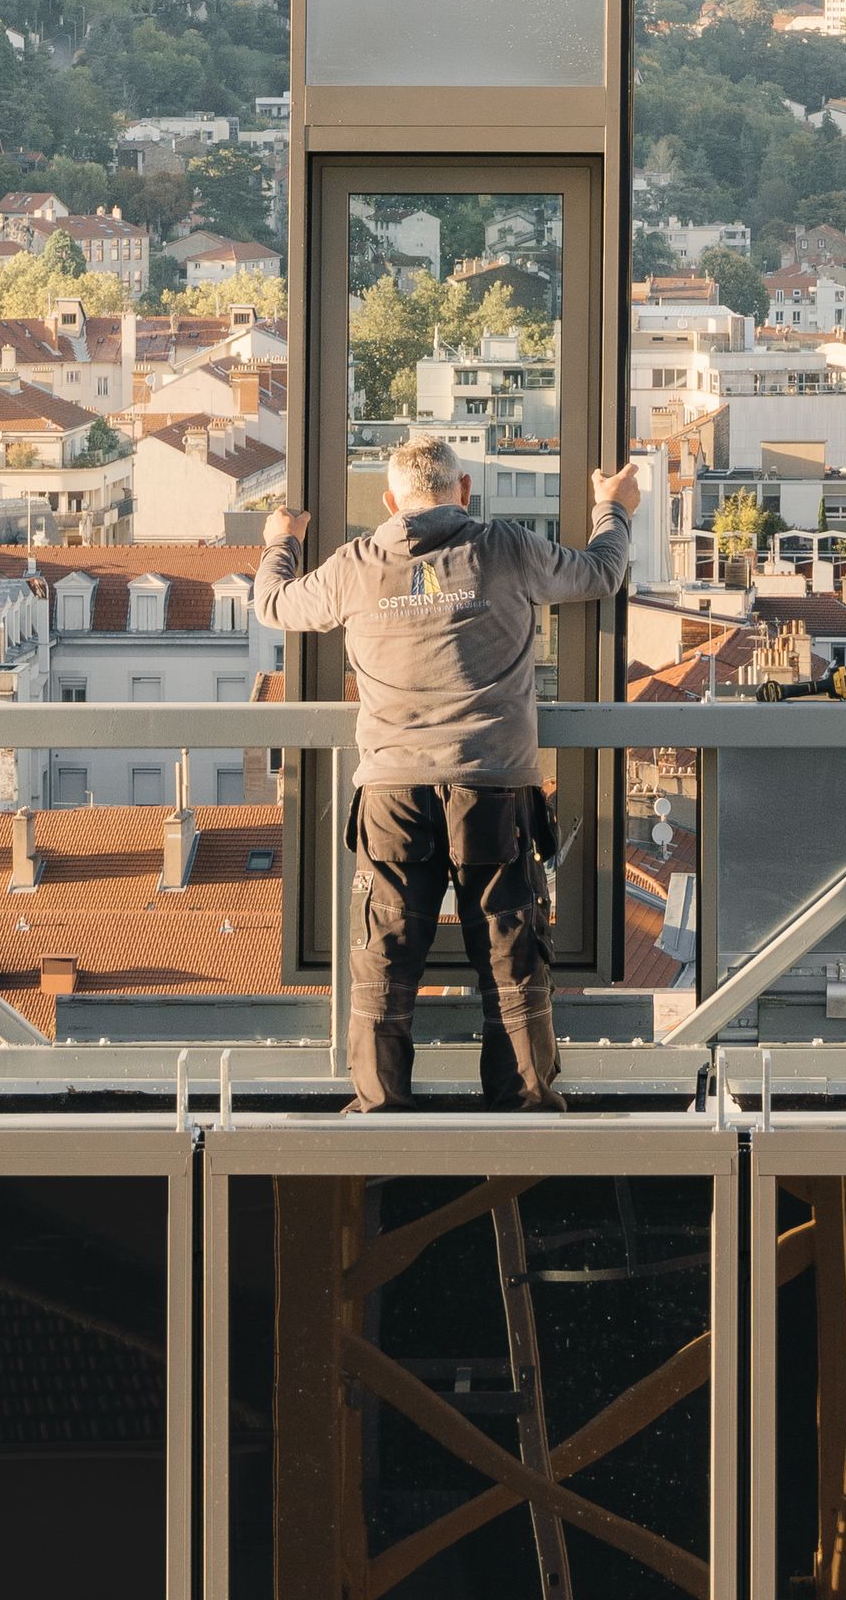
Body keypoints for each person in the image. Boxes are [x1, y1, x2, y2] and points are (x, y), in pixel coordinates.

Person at [254, 435, 640, 1111]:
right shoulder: (508, 548)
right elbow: (601, 573)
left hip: (393, 789)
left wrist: (280, 540)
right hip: (491, 783)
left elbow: (275, 605)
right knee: (508, 946)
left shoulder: (356, 564)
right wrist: (612, 508)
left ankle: (381, 1110)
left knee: (387, 952)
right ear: (463, 490)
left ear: (391, 502)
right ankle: (522, 1108)